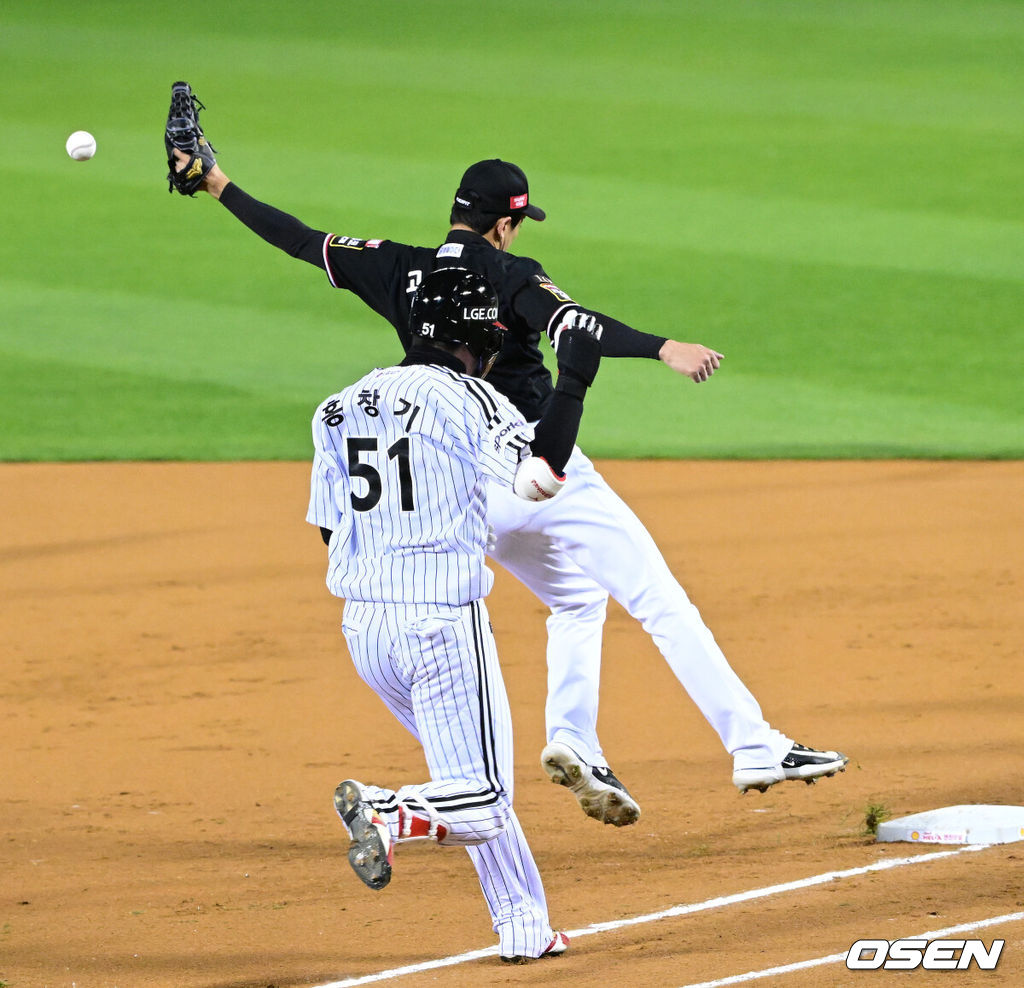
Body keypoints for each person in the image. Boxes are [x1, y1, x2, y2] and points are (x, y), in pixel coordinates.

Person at [173, 146, 848, 821]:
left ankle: (576, 742)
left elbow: (296, 238)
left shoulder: (399, 265)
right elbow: (577, 326)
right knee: (656, 596)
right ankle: (752, 744)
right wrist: (662, 347)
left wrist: (213, 180)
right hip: (535, 465)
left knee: (577, 599)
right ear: (503, 224)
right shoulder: (510, 272)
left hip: (466, 490)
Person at [309, 266, 601, 962]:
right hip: (438, 622)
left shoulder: (336, 407)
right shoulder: (470, 398)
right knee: (486, 797)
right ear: (479, 337)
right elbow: (538, 478)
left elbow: (328, 527)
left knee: (463, 770)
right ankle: (387, 811)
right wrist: (575, 382)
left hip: (365, 630)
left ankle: (524, 927)